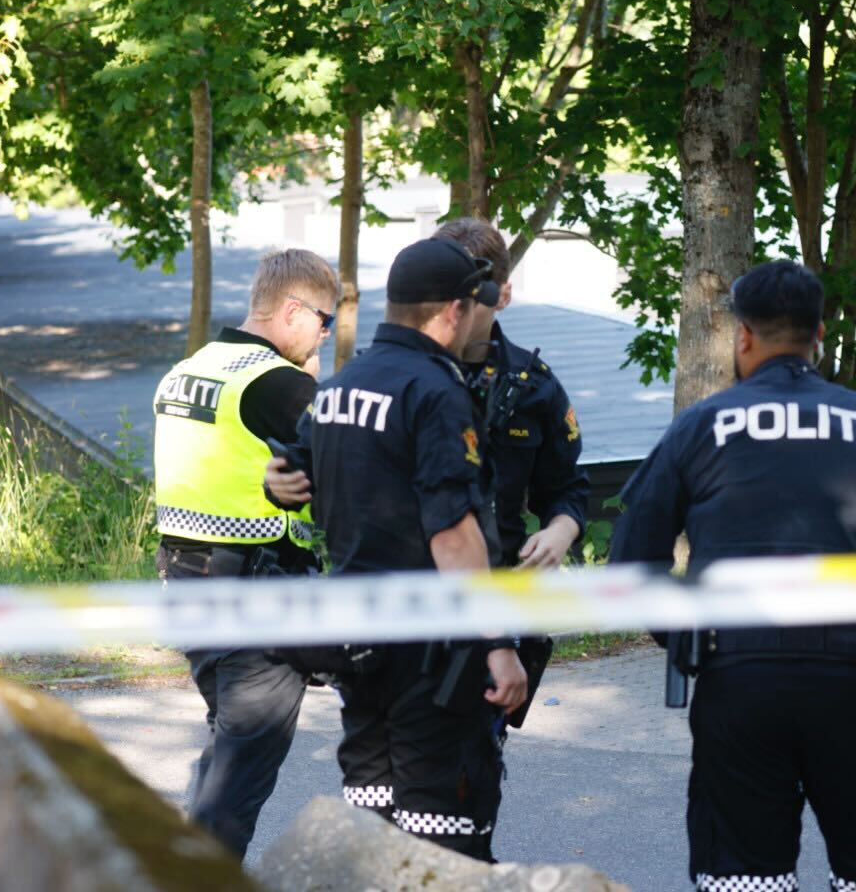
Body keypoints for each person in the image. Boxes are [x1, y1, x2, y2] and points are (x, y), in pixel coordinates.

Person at [609, 260, 856, 892]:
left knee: (742, 877)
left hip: (737, 679)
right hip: (854, 679)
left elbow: (631, 564)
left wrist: (686, 638)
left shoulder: (699, 426)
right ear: (819, 334)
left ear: (743, 335)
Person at [266, 237, 527, 861]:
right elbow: (452, 534)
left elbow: (291, 473)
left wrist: (278, 483)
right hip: (430, 652)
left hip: (359, 644)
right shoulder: (434, 391)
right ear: (454, 311)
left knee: (372, 826)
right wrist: (498, 643)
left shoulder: (340, 385)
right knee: (444, 839)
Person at [151, 247, 337, 858]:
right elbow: (344, 464)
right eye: (324, 320)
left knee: (228, 750)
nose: (326, 334)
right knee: (238, 780)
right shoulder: (280, 383)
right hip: (255, 597)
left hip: (187, 586)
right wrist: (311, 387)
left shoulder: (190, 369)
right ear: (292, 311)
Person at [432, 217, 589, 570]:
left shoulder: (533, 386)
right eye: (443, 296)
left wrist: (560, 531)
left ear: (503, 296)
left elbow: (566, 486)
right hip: (409, 586)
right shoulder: (397, 376)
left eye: (471, 298)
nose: (454, 312)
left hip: (498, 579)